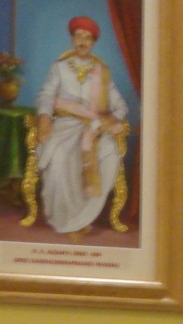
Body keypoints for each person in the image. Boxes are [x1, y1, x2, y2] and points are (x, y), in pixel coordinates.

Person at [35, 15, 129, 241]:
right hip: (65, 125)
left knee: (110, 155)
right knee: (60, 157)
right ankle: (66, 222)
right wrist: (45, 116)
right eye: (79, 36)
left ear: (93, 42)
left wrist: (108, 121)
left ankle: (83, 219)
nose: (83, 42)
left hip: (94, 129)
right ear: (72, 40)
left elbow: (121, 107)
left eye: (88, 38)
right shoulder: (59, 68)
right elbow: (46, 94)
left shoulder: (102, 72)